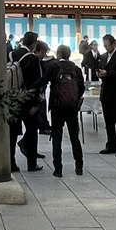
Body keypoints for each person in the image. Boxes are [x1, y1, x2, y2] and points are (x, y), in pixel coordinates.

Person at [45, 44, 86, 178]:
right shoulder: (76, 69)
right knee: (74, 136)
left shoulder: (54, 67)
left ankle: (58, 168)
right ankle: (79, 166)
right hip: (72, 107)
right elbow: (81, 87)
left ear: (59, 54)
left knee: (57, 137)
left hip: (57, 106)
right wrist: (75, 99)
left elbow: (43, 81)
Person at [11, 37, 46, 173]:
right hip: (27, 101)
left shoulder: (11, 54)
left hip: (13, 99)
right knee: (31, 131)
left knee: (12, 132)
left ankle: (11, 163)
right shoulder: (32, 59)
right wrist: (35, 104)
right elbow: (35, 83)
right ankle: (31, 164)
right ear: (34, 44)